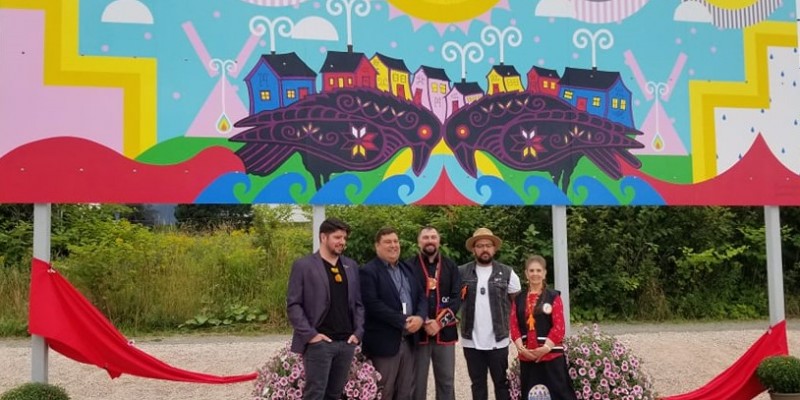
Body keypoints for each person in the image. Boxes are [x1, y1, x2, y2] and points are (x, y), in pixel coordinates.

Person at [286, 218, 364, 400]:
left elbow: (358, 303)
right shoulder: (303, 266)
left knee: (335, 395)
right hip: (319, 344)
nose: (342, 242)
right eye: (337, 237)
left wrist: (358, 333)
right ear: (323, 237)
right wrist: (311, 336)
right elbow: (293, 304)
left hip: (346, 343)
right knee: (315, 394)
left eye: (344, 238)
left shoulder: (350, 266)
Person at [360, 227, 427, 400]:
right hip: (385, 343)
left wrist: (420, 318)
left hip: (409, 340)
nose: (393, 245)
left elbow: (421, 296)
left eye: (396, 241)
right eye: (388, 242)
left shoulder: (407, 268)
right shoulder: (368, 271)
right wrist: (403, 321)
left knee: (406, 391)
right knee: (384, 391)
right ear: (377, 246)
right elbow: (373, 305)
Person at [459, 227, 521, 400]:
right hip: (471, 340)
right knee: (477, 384)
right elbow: (451, 300)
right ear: (473, 249)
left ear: (494, 248)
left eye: (488, 245)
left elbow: (518, 307)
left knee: (501, 383)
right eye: (480, 245)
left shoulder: (508, 273)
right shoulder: (461, 272)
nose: (484, 249)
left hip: (498, 340)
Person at [510, 255, 577, 400]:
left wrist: (545, 348)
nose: (535, 274)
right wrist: (521, 349)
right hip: (527, 356)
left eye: (538, 270)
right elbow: (514, 325)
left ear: (544, 273)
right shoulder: (519, 299)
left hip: (551, 356)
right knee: (531, 395)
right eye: (531, 270)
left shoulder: (553, 297)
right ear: (526, 273)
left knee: (558, 394)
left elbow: (559, 326)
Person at [407, 226, 461, 400]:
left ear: (439, 241)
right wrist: (422, 321)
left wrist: (439, 323)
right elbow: (405, 297)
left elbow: (456, 298)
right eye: (425, 237)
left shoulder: (451, 266)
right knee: (416, 383)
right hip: (417, 333)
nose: (429, 240)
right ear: (418, 242)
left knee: (446, 382)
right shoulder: (408, 266)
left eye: (433, 237)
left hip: (444, 333)